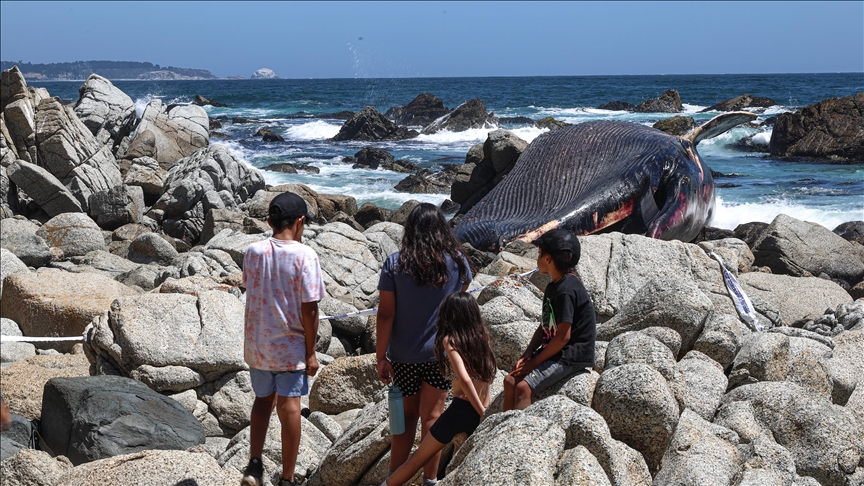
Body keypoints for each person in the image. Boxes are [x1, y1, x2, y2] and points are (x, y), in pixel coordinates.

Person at [377, 203, 473, 486]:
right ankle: (430, 480)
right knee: (433, 417)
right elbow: (460, 300)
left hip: (404, 354)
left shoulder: (395, 264)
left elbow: (385, 314)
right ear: (442, 230)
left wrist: (380, 356)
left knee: (404, 418)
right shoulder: (458, 262)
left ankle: (395, 476)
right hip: (440, 354)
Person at [241, 192, 326, 486]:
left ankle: (254, 465)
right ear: (300, 222)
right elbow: (310, 308)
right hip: (290, 348)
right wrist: (311, 352)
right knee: (290, 406)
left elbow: (250, 288)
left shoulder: (253, 251)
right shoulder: (306, 255)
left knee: (262, 401)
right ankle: (288, 479)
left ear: (269, 222)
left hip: (258, 346)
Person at [383, 292, 496, 486]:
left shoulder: (450, 340)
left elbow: (465, 379)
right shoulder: (482, 337)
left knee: (417, 459)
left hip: (460, 409)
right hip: (481, 409)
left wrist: (480, 411)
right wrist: (484, 412)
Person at [503, 228, 596, 411]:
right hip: (555, 349)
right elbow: (545, 325)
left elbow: (563, 337)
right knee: (510, 380)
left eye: (539, 254)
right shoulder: (554, 286)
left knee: (524, 387)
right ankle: (502, 426)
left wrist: (534, 364)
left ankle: (520, 432)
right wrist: (528, 352)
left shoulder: (567, 290)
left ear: (548, 259)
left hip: (570, 355)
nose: (537, 258)